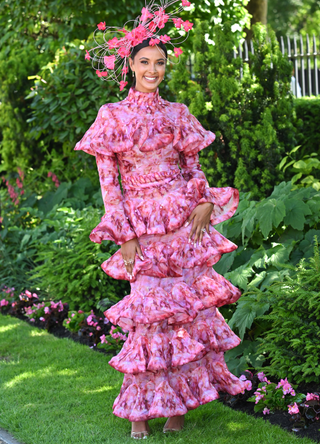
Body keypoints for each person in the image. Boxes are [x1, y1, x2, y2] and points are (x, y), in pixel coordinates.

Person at [75, 2, 245, 439]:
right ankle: (138, 414)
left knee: (184, 317)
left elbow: (193, 170)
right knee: (150, 315)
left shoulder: (178, 113)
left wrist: (205, 201)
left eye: (160, 63)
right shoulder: (111, 117)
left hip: (184, 226)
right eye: (145, 62)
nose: (153, 69)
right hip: (141, 230)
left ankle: (176, 409)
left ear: (166, 67)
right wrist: (125, 237)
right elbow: (109, 185)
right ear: (129, 64)